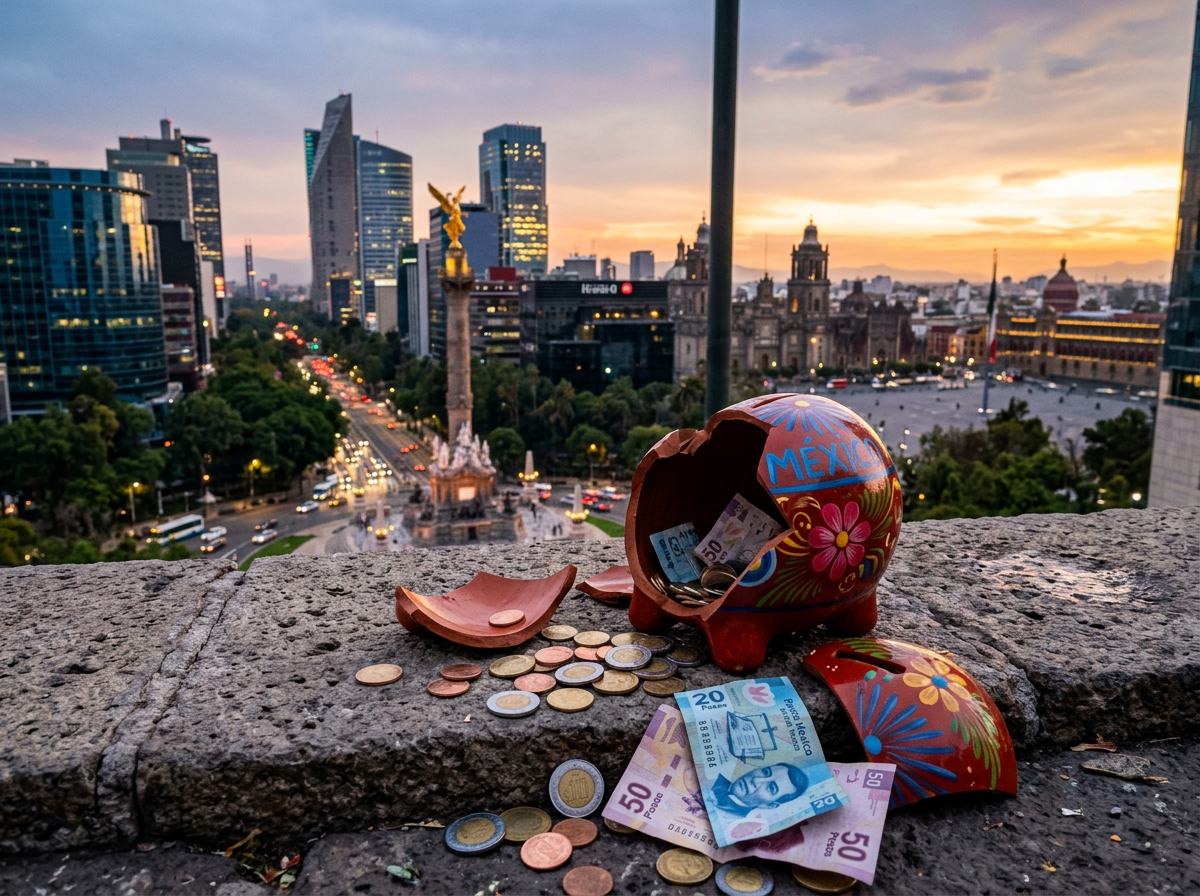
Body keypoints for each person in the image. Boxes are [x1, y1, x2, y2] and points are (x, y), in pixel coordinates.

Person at [711, 763, 808, 817]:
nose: (756, 780)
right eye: (765, 772)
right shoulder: (713, 776)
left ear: (769, 805)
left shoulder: (732, 820)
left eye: (771, 788)